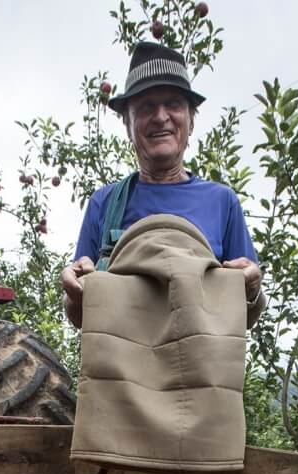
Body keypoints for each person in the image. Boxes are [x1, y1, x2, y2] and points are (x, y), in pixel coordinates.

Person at [61, 41, 263, 329]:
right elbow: (80, 317)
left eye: (173, 103)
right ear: (127, 124)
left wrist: (252, 289)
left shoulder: (221, 202)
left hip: (202, 371)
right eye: (146, 106)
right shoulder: (104, 204)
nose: (160, 116)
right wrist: (74, 291)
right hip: (120, 372)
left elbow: (244, 319)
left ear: (191, 121)